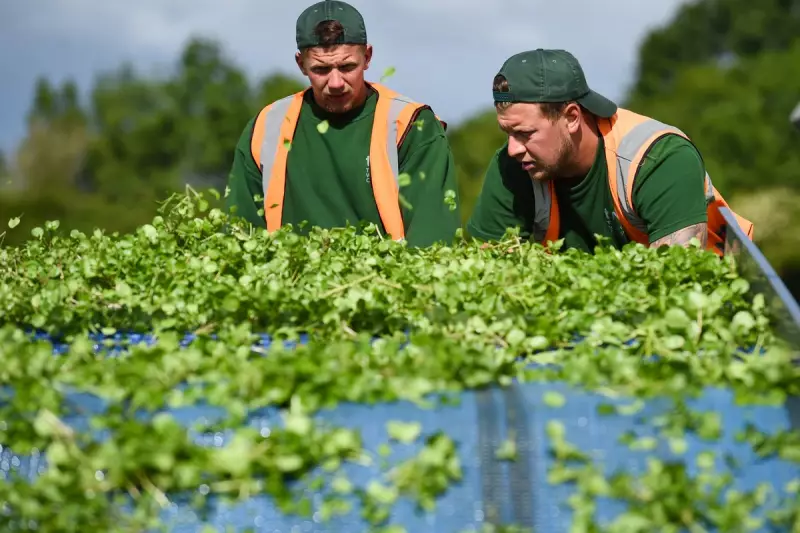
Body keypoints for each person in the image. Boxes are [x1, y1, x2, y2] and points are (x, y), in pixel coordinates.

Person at [466, 48, 754, 255]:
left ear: (571, 117)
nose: (513, 148)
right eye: (508, 133)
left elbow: (677, 287)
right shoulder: (513, 165)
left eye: (525, 133)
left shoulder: (659, 158)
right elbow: (484, 275)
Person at [225, 0, 461, 247]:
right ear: (301, 64)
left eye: (347, 67)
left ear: (367, 57)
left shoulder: (411, 125)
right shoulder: (267, 127)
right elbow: (240, 236)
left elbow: (432, 241)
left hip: (384, 282)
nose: (336, 82)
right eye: (321, 69)